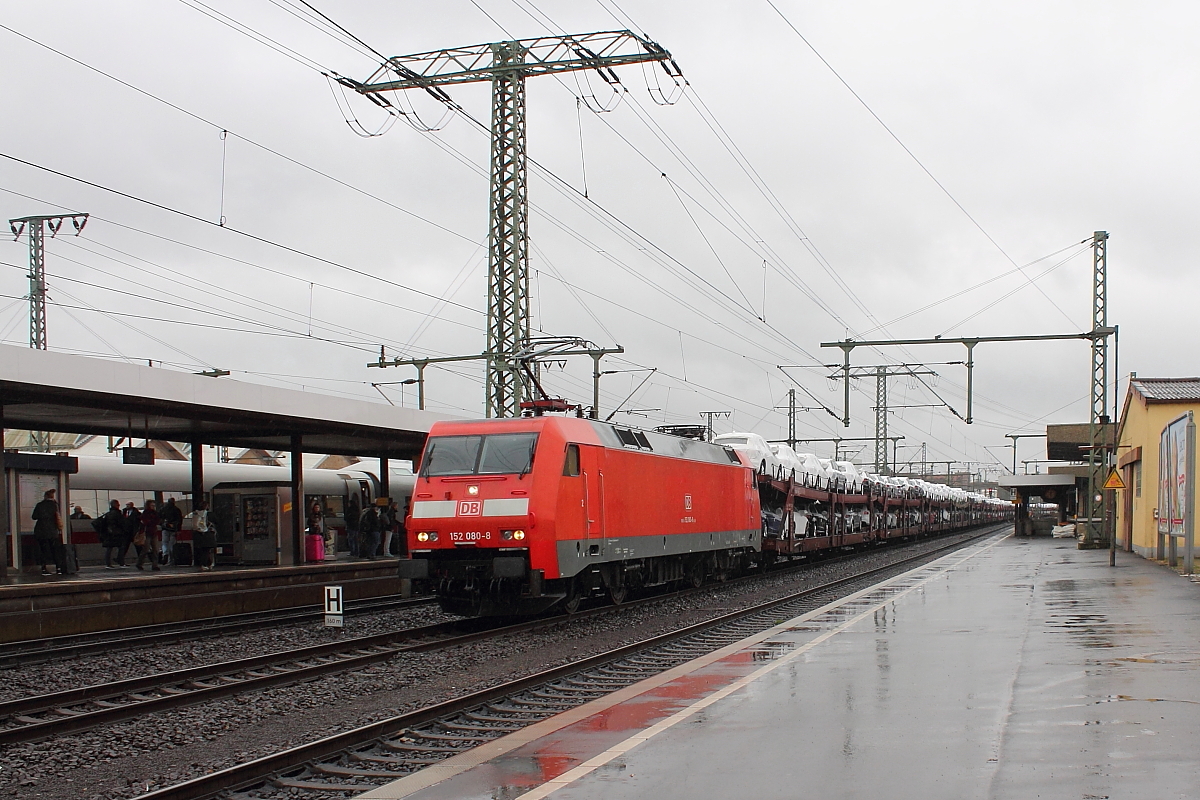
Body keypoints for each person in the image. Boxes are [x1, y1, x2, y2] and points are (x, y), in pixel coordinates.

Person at [31, 489, 63, 576]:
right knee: (55, 550)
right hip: (52, 531)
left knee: (43, 550)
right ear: (52, 496)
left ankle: (44, 568)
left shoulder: (40, 505)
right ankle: (58, 568)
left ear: (45, 496)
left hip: (40, 531)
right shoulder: (55, 505)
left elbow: (34, 517)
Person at [97, 499, 126, 569]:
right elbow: (121, 523)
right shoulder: (117, 514)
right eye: (118, 504)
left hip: (110, 533)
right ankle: (121, 562)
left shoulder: (108, 514)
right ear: (115, 505)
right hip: (117, 533)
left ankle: (108, 563)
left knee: (109, 548)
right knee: (121, 547)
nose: (119, 506)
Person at [189, 500, 216, 571]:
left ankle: (206, 563)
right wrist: (204, 530)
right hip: (205, 533)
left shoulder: (195, 514)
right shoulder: (206, 514)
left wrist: (200, 530)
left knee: (203, 550)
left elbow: (195, 525)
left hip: (200, 534)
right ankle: (207, 564)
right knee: (207, 550)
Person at [135, 499, 161, 571]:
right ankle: (140, 563)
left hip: (152, 532)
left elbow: (155, 521)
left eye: (154, 506)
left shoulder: (154, 513)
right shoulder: (145, 514)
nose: (153, 507)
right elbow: (149, 522)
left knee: (155, 549)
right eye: (152, 505)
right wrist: (152, 522)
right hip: (147, 533)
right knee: (146, 549)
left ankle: (154, 565)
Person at [159, 497, 183, 566]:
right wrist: (178, 529)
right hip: (173, 529)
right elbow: (180, 520)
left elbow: (159, 518)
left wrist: (164, 524)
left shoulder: (163, 509)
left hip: (164, 528)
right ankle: (171, 560)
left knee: (164, 543)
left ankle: (165, 554)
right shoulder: (177, 510)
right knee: (172, 545)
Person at [120, 502, 141, 567]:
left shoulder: (136, 513)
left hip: (134, 532)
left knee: (138, 547)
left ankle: (140, 560)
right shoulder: (123, 512)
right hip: (126, 532)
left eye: (128, 505)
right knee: (124, 547)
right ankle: (121, 561)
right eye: (126, 505)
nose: (127, 506)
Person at [345, 493, 361, 557]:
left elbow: (346, 518)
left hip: (351, 527)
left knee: (351, 540)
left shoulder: (349, 510)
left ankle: (352, 552)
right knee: (356, 540)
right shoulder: (357, 510)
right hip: (356, 527)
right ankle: (357, 552)